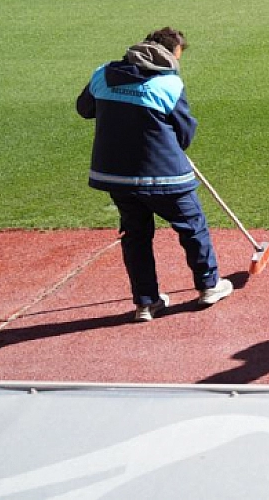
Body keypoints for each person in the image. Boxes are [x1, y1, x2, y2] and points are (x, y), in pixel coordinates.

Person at [76, 27, 232, 322]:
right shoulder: (169, 83)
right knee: (192, 227)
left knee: (136, 234)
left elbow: (85, 108)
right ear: (170, 54)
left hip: (116, 175)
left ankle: (146, 303)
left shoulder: (103, 73)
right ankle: (208, 285)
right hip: (165, 174)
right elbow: (184, 132)